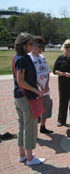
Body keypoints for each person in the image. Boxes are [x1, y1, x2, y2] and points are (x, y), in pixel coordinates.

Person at [12, 32, 45, 165]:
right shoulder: (22, 59)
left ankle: (22, 155)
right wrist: (36, 90)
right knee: (30, 127)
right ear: (23, 45)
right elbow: (21, 80)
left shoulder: (18, 57)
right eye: (30, 44)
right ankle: (30, 158)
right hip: (26, 98)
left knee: (22, 126)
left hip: (18, 97)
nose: (33, 46)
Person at [28, 36, 53, 134]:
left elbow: (47, 72)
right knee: (35, 110)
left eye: (42, 47)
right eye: (39, 47)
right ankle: (33, 131)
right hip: (36, 89)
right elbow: (31, 75)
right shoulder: (29, 58)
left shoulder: (43, 57)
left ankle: (43, 126)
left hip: (45, 89)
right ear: (33, 46)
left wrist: (46, 85)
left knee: (46, 108)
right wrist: (39, 87)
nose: (41, 49)